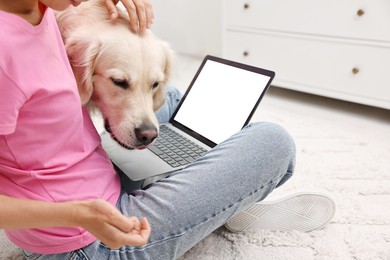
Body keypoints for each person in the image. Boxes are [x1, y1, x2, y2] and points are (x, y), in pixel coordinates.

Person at [0, 0, 335, 259]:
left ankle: (212, 196)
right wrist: (78, 214)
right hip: (87, 243)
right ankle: (221, 201)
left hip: (90, 179)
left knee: (168, 100)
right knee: (272, 142)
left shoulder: (35, 9)